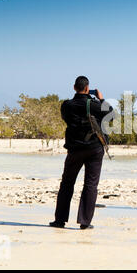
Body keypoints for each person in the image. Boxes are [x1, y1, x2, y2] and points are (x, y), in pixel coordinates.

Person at [50, 76, 113, 229]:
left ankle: (60, 220)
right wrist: (101, 99)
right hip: (94, 148)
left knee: (67, 183)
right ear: (87, 88)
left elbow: (66, 119)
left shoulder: (66, 105)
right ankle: (85, 222)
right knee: (90, 185)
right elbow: (110, 115)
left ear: (74, 87)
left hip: (74, 148)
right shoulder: (94, 104)